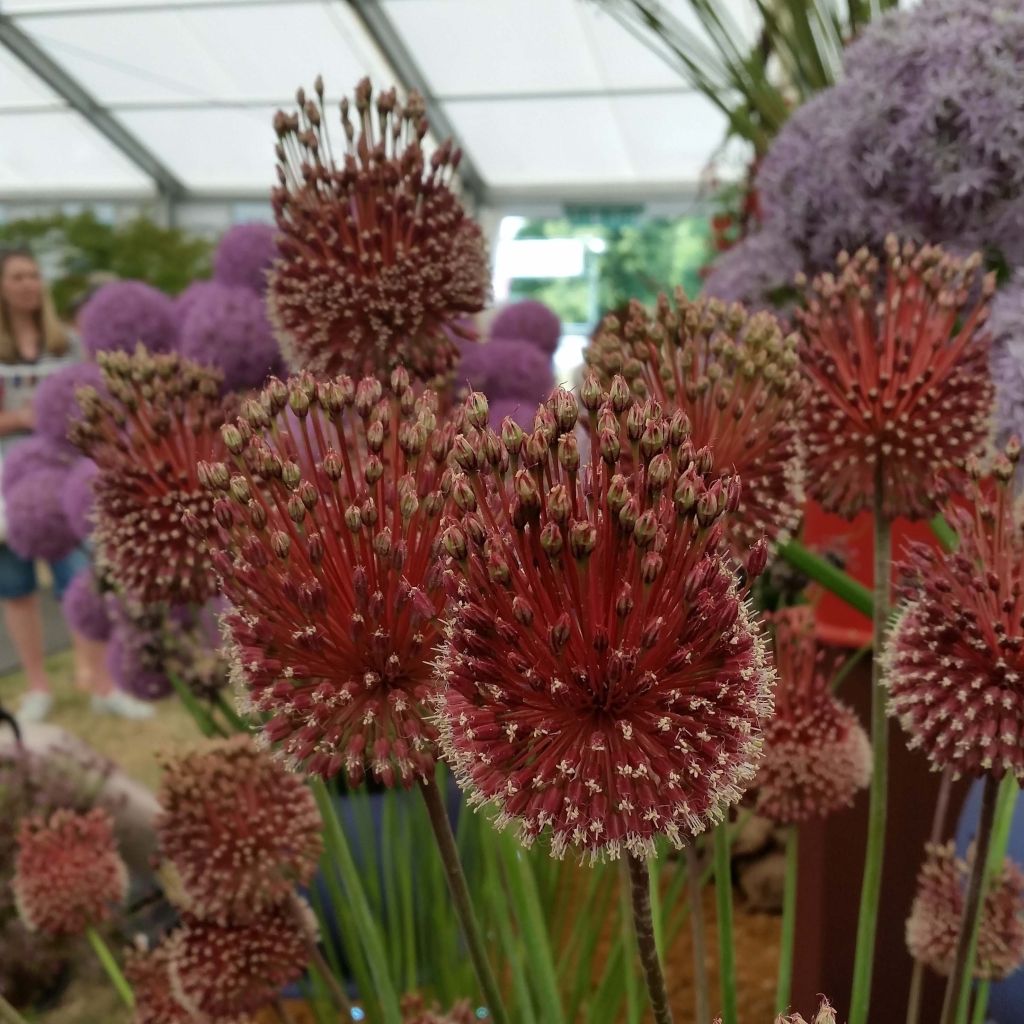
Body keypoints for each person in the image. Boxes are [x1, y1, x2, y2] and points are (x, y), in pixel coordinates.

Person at [0, 248, 152, 722]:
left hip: (61, 475)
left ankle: (99, 682)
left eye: (33, 275)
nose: (28, 283)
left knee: (81, 580)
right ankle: (38, 687)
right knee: (16, 586)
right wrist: (24, 417)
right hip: (6, 481)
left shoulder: (66, 342)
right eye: (17, 276)